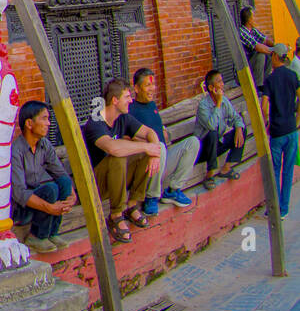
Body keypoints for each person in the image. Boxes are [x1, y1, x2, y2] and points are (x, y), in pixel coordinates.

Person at [81, 79, 160, 244]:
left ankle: (131, 204)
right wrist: (146, 147)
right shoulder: (95, 123)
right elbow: (112, 148)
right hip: (97, 185)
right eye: (127, 97)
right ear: (115, 100)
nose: (131, 100)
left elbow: (150, 132)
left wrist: (154, 152)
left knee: (144, 151)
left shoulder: (124, 118)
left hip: (119, 181)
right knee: (119, 156)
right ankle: (116, 215)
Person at [128, 68, 196, 216]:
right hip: (146, 167)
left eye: (153, 85)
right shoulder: (130, 109)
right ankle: (151, 197)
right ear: (137, 88)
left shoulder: (152, 105)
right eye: (147, 85)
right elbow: (129, 137)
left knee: (193, 142)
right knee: (158, 146)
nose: (152, 89)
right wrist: (150, 144)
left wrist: (163, 129)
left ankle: (173, 190)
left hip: (162, 162)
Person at [10, 100, 75, 253]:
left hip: (37, 201)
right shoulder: (16, 150)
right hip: (20, 209)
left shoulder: (44, 145)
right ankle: (37, 236)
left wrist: (72, 196)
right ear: (29, 123)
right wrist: (49, 207)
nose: (48, 123)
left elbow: (60, 173)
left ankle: (52, 233)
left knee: (64, 182)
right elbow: (19, 193)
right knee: (50, 190)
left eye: (48, 119)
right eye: (44, 119)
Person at [260, 43, 298, 219]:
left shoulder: (270, 79)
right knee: (288, 170)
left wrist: (267, 122)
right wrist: (298, 118)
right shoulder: (292, 75)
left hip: (277, 131)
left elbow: (265, 105)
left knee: (274, 170)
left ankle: (274, 208)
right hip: (291, 129)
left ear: (276, 56)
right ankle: (283, 209)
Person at [194, 68, 246, 187]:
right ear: (212, 88)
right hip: (204, 150)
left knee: (241, 129)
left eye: (222, 81)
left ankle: (226, 168)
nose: (223, 85)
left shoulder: (224, 101)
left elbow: (236, 118)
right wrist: (218, 103)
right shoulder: (203, 106)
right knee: (212, 134)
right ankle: (210, 174)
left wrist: (238, 128)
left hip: (217, 145)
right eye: (219, 82)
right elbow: (212, 126)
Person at [240, 7, 274, 89]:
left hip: (252, 62)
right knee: (261, 54)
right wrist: (274, 50)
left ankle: (265, 81)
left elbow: (265, 40)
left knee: (269, 55)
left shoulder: (253, 30)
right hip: (244, 66)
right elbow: (258, 47)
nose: (255, 19)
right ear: (249, 20)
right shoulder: (242, 32)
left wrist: (275, 46)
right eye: (254, 17)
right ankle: (259, 85)